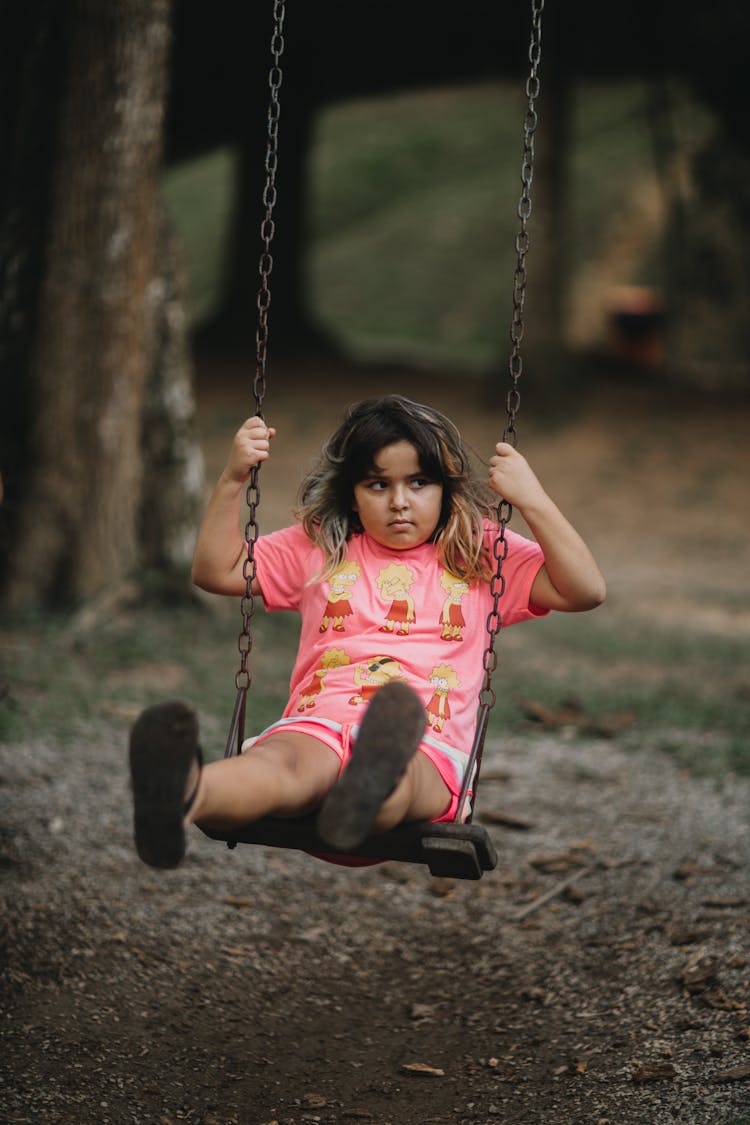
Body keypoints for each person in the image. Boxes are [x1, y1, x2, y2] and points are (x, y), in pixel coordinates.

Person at [129, 395, 605, 869]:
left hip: (424, 740)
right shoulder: (322, 545)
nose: (400, 502)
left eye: (419, 482)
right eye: (378, 484)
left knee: (405, 776)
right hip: (318, 724)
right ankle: (183, 793)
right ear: (351, 493)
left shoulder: (478, 552)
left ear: (446, 487)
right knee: (278, 767)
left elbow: (585, 590)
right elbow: (217, 572)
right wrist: (234, 478)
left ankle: (364, 790)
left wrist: (533, 500)